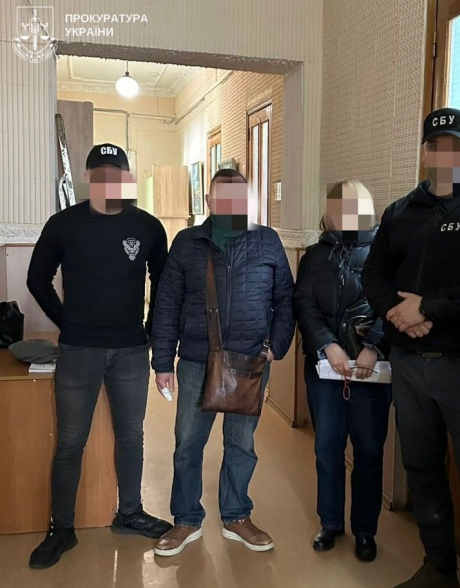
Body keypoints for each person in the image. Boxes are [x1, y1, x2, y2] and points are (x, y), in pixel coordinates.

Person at [362, 108, 460, 588]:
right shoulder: (400, 211)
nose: (446, 155)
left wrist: (428, 308)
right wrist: (398, 313)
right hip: (409, 367)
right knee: (422, 470)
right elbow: (373, 275)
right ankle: (438, 570)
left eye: (456, 145)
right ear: (425, 153)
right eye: (436, 147)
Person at [26, 143, 172, 569]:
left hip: (130, 350)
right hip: (79, 350)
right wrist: (66, 321)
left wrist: (151, 331)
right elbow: (37, 279)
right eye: (100, 173)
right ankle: (62, 527)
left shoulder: (147, 226)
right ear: (89, 178)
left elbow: (164, 282)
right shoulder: (64, 224)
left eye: (116, 173)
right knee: (71, 440)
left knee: (132, 436)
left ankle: (130, 512)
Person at [151, 169, 295, 557]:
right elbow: (166, 304)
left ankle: (236, 515)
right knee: (187, 443)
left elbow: (285, 299)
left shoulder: (267, 241)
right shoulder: (187, 242)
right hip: (197, 360)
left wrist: (275, 347)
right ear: (210, 202)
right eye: (223, 197)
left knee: (241, 444)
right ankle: (186, 519)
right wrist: (162, 362)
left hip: (250, 361)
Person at [293, 180, 400, 562]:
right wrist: (328, 344)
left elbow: (394, 305)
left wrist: (374, 346)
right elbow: (304, 304)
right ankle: (331, 522)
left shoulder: (386, 253)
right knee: (327, 449)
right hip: (325, 370)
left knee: (369, 452)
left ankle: (365, 530)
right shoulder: (314, 255)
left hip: (371, 372)